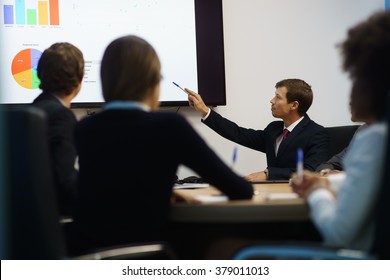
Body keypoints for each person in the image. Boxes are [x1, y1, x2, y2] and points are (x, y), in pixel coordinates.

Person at [68, 35, 253, 255]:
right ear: (153, 82)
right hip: (146, 257)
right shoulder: (170, 126)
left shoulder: (84, 128)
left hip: (85, 256)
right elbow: (239, 189)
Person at [291, 10, 390, 251]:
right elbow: (370, 182)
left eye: (355, 78)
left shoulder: (375, 139)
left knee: (226, 248)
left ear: (375, 85)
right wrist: (328, 183)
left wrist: (317, 192)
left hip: (357, 264)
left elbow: (338, 234)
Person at [186, 79, 329, 181]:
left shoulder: (316, 133)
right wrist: (205, 111)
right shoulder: (274, 129)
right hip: (271, 194)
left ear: (294, 105)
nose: (272, 101)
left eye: (278, 97)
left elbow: (311, 171)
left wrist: (268, 173)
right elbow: (238, 134)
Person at [32, 42, 84, 217]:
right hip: (59, 224)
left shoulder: (34, 109)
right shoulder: (61, 116)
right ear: (80, 77)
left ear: (40, 73)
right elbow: (65, 181)